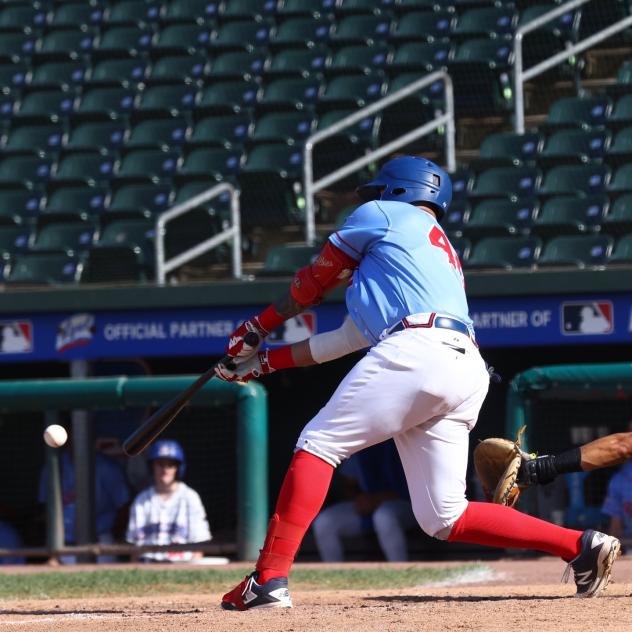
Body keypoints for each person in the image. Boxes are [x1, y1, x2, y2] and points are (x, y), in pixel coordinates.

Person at [215, 155, 620, 610]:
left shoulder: (385, 213)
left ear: (398, 190)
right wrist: (260, 364)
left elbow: (312, 282)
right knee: (444, 516)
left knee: (319, 443)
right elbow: (339, 341)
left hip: (419, 350)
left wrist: (258, 324)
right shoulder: (421, 259)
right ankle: (580, 546)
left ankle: (268, 579)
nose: (368, 201)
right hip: (461, 365)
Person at [313, 440, 416, 562]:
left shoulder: (405, 438)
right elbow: (347, 481)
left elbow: (418, 487)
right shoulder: (363, 442)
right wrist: (359, 498)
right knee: (324, 522)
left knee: (384, 516)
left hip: (410, 505)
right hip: (371, 506)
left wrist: (377, 499)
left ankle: (400, 573)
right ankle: (333, 576)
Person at [38, 440, 131, 563]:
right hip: (63, 543)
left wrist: (113, 533)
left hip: (100, 542)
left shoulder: (106, 466)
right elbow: (43, 507)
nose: (74, 442)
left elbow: (124, 506)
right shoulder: (54, 466)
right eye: (71, 437)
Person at [126, 439, 211, 562]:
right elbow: (133, 549)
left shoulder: (190, 497)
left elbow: (199, 547)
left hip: (182, 566)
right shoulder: (141, 500)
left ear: (178, 468)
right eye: (160, 464)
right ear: (152, 466)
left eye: (170, 465)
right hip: (147, 567)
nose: (165, 470)